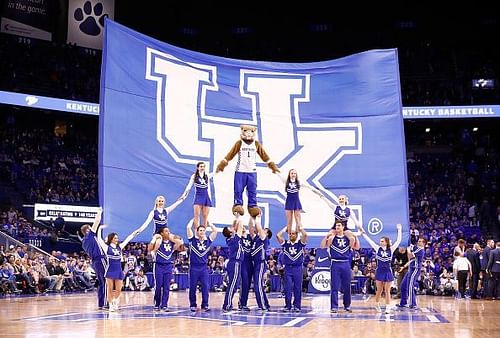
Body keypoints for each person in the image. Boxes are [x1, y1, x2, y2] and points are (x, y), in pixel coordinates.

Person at [359, 223, 402, 313]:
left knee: (387, 290)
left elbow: (398, 240)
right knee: (379, 290)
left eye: (382, 241)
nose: (380, 242)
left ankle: (387, 307)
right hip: (379, 271)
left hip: (388, 271)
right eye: (380, 241)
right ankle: (377, 304)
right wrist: (363, 234)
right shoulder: (377, 248)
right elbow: (369, 241)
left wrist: (399, 230)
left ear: (386, 242)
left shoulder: (391, 249)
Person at [321, 221, 360, 313]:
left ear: (343, 227)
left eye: (339, 225)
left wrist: (355, 236)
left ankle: (347, 305)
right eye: (336, 225)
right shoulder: (332, 238)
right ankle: (334, 306)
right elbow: (322, 246)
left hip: (346, 263)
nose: (337, 227)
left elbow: (357, 247)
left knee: (347, 286)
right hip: (335, 263)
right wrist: (326, 236)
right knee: (334, 286)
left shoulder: (349, 238)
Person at [96, 228, 139, 311]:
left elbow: (128, 239)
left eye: (117, 238)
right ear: (111, 239)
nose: (117, 239)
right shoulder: (106, 248)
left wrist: (134, 233)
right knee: (110, 289)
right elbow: (99, 239)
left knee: (119, 289)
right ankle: (111, 305)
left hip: (118, 270)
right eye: (115, 238)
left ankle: (115, 302)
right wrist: (100, 229)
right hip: (110, 270)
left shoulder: (120, 247)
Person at [148, 226, 184, 311]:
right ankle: (157, 304)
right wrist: (154, 238)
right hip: (158, 266)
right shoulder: (158, 243)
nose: (168, 232)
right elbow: (149, 249)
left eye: (169, 231)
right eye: (166, 231)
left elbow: (180, 243)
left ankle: (164, 305)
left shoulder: (172, 244)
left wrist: (173, 236)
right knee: (158, 286)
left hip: (168, 266)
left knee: (167, 287)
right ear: (161, 233)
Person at [276, 169, 322, 234]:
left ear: (296, 175)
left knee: (298, 220)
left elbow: (309, 186)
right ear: (289, 174)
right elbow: (278, 174)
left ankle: (297, 236)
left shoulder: (299, 182)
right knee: (289, 220)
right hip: (289, 202)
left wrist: (317, 191)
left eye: (294, 173)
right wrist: (272, 167)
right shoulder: (286, 181)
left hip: (296, 201)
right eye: (292, 173)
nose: (293, 175)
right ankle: (290, 237)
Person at [187, 220, 218, 312]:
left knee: (205, 286)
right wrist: (193, 219)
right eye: (200, 230)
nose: (202, 232)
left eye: (203, 230)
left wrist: (209, 223)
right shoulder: (192, 240)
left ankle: (205, 304)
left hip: (203, 268)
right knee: (192, 287)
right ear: (197, 231)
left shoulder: (208, 241)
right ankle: (193, 305)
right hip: (194, 267)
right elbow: (188, 228)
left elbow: (215, 231)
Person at [276, 224, 307, 312]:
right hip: (288, 268)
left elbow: (305, 235)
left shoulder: (300, 244)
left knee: (297, 287)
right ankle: (287, 306)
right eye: (290, 234)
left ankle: (297, 306)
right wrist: (286, 228)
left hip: (297, 268)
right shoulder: (285, 244)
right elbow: (278, 235)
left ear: (296, 235)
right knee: (287, 288)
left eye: (293, 234)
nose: (291, 235)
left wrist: (300, 228)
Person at [80, 208, 107, 309]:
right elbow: (96, 221)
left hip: (95, 262)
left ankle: (101, 304)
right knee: (106, 281)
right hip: (100, 259)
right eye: (91, 228)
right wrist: (99, 212)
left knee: (101, 282)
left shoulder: (83, 242)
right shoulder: (90, 235)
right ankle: (105, 303)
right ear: (88, 230)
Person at [181, 162, 215, 229]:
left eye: (203, 166)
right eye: (201, 166)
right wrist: (184, 194)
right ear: (198, 167)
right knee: (196, 215)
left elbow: (216, 172)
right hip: (198, 196)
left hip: (206, 197)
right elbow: (189, 186)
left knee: (205, 216)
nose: (202, 168)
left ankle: (203, 234)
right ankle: (197, 233)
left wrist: (222, 165)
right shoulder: (194, 176)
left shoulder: (207, 176)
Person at [250, 214, 272, 311]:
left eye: (264, 231)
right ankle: (265, 304)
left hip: (261, 263)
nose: (262, 230)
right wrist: (252, 217)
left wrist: (258, 218)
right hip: (254, 264)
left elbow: (258, 228)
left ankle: (262, 305)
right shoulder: (256, 239)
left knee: (258, 285)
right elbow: (251, 228)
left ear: (266, 234)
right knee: (257, 285)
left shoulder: (264, 239)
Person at [221, 218, 243, 313]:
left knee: (234, 285)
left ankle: (227, 304)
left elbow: (235, 226)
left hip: (235, 263)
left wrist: (235, 218)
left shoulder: (231, 238)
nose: (232, 228)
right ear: (230, 233)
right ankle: (227, 305)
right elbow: (240, 227)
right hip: (235, 263)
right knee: (232, 285)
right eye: (230, 229)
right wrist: (239, 218)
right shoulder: (233, 239)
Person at [398, 237, 427, 309]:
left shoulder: (421, 250)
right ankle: (403, 303)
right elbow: (411, 260)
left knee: (410, 286)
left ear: (424, 243)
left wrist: (407, 249)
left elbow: (410, 256)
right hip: (410, 268)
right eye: (418, 240)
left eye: (420, 241)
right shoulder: (416, 248)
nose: (418, 242)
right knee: (403, 285)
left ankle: (413, 304)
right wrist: (404, 267)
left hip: (415, 269)